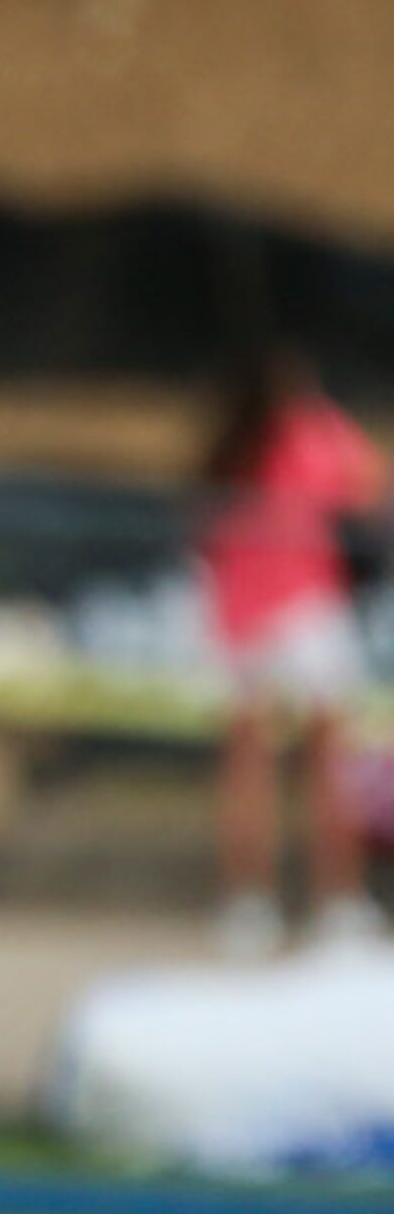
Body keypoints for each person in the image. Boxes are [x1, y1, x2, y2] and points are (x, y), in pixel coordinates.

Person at [196, 346, 388, 955]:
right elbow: (368, 491)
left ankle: (248, 902)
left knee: (248, 769)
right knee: (326, 765)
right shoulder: (314, 433)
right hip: (306, 614)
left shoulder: (232, 443)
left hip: (239, 617)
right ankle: (338, 903)